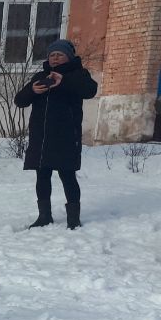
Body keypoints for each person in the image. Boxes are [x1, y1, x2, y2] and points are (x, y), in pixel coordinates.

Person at [14, 39, 98, 229]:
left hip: (65, 137)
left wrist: (64, 81)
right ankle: (44, 216)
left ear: (69, 57)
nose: (55, 58)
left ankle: (73, 219)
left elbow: (89, 91)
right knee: (42, 176)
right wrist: (32, 90)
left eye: (60, 54)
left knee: (68, 176)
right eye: (52, 55)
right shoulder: (40, 76)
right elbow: (19, 101)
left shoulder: (79, 74)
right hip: (41, 138)